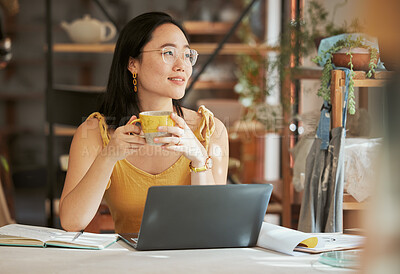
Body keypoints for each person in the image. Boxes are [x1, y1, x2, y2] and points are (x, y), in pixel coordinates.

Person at [59, 12, 229, 233]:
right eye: (168, 53)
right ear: (133, 64)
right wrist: (109, 156)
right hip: (128, 265)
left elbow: (214, 226)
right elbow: (72, 222)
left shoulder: (210, 131)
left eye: (187, 55)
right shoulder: (94, 133)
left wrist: (198, 157)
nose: (182, 65)